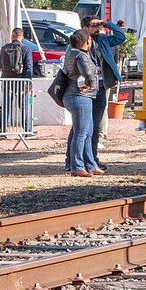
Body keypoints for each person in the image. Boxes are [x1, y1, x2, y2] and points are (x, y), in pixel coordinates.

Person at [58, 27, 103, 174]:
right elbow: (88, 73)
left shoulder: (71, 54)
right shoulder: (81, 56)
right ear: (87, 41)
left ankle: (90, 164)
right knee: (81, 133)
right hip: (80, 96)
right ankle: (77, 166)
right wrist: (90, 83)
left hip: (76, 96)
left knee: (87, 132)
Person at [85, 16, 127, 169]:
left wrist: (108, 24)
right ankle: (76, 159)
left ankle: (93, 158)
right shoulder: (79, 40)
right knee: (83, 125)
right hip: (86, 87)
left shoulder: (102, 39)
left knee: (95, 123)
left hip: (102, 85)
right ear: (85, 28)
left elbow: (121, 37)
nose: (97, 27)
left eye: (98, 25)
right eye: (93, 25)